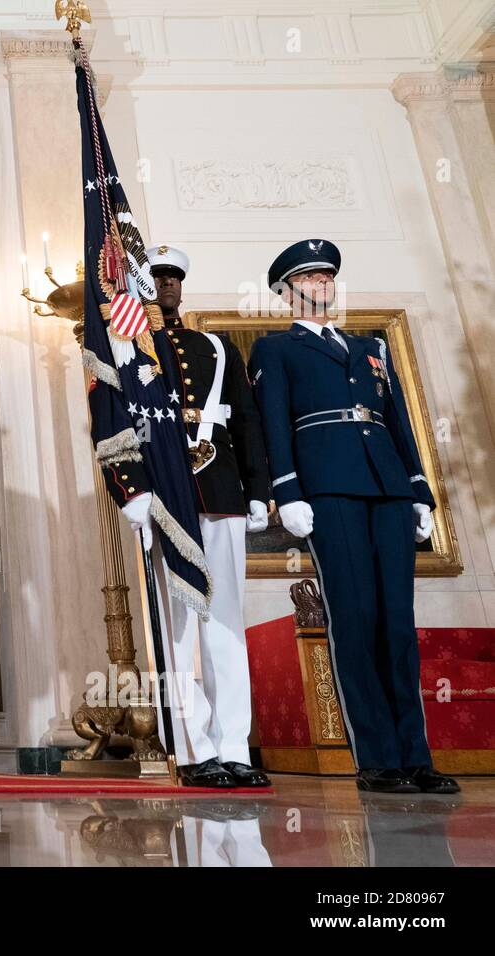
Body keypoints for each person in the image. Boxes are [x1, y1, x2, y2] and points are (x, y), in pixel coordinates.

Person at [248, 238, 458, 795]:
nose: (321, 285)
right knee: (356, 618)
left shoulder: (370, 347)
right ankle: (377, 758)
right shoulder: (276, 350)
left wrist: (419, 492)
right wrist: (287, 491)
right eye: (309, 278)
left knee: (397, 624)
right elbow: (273, 423)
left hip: (386, 486)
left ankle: (417, 757)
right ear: (286, 292)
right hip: (329, 490)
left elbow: (397, 420)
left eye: (326, 277)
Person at [113, 243, 271, 788]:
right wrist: (132, 490)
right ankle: (193, 748)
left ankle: (235, 749)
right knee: (178, 628)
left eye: (175, 277)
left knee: (226, 623)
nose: (168, 285)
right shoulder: (132, 348)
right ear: (142, 286)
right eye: (157, 277)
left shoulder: (216, 346)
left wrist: (258, 490)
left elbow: (246, 421)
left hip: (221, 490)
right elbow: (121, 423)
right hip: (168, 496)